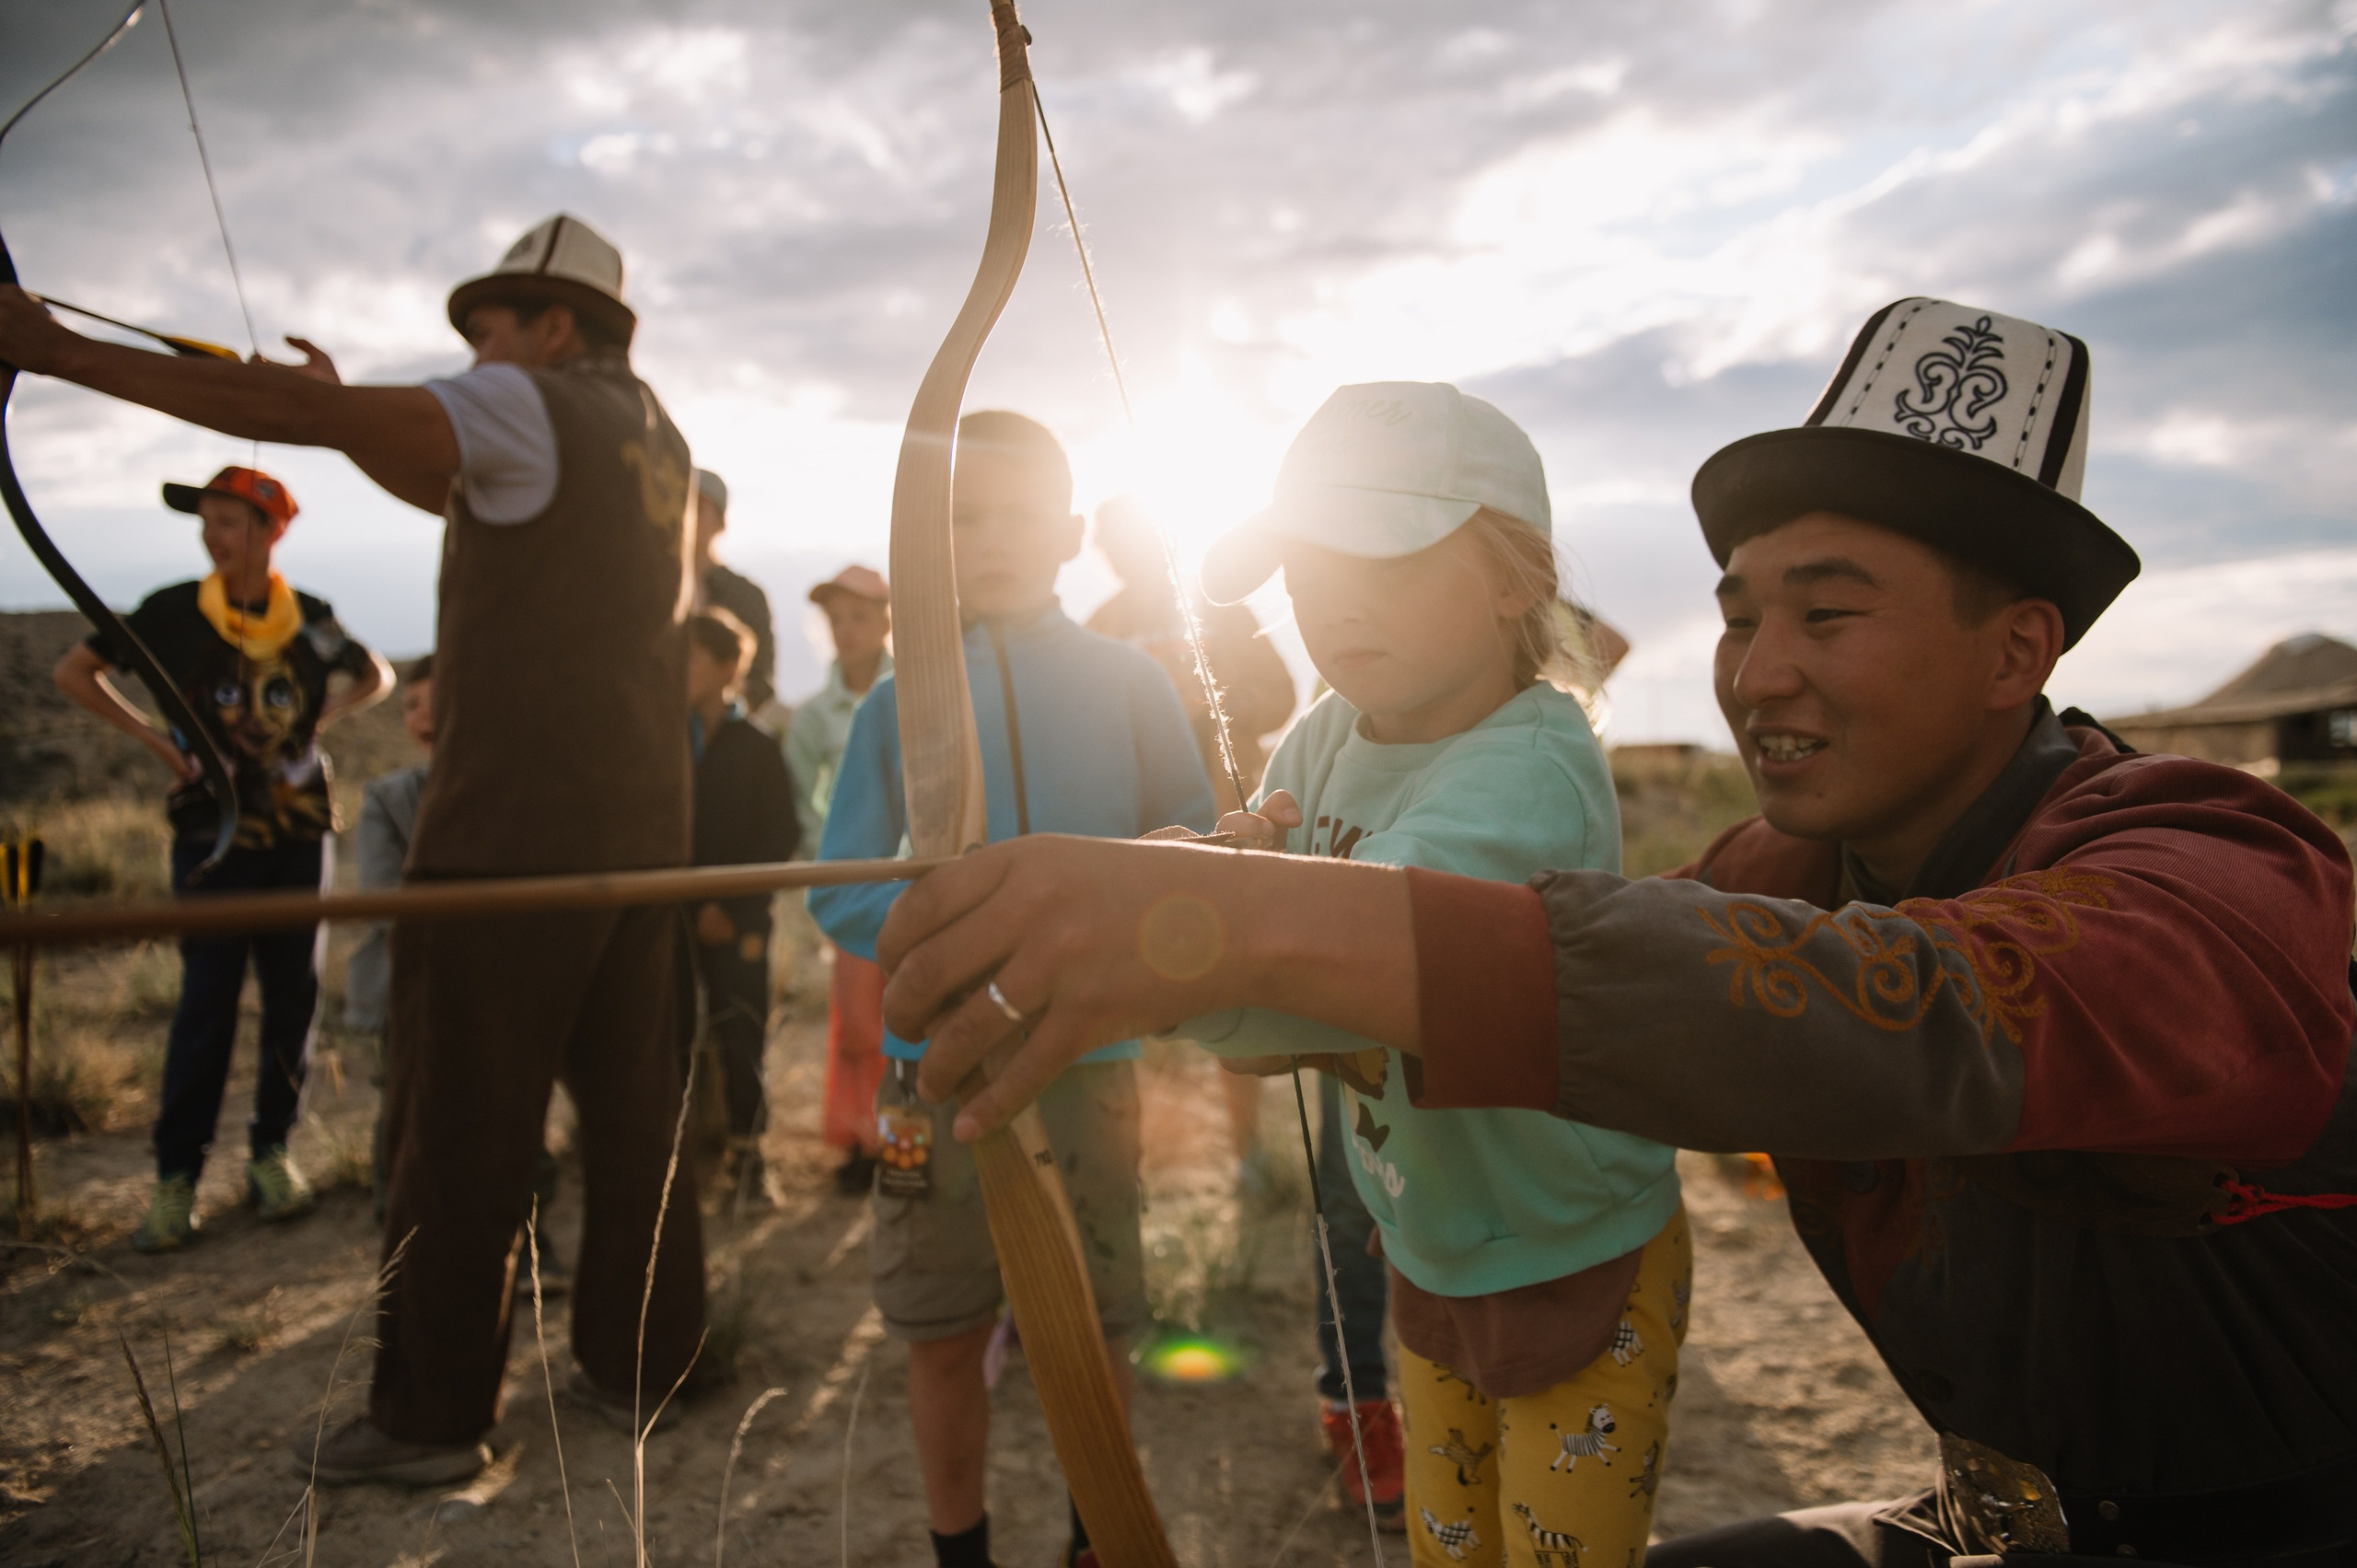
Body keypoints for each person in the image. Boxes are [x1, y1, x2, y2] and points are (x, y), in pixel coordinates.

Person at [877, 300, 2357, 1567]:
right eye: (1737, 616)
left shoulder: (2216, 860)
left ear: (2018, 650)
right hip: (1987, 1521)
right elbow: (1625, 958)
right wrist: (1212, 926)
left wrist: (1229, 931)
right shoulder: (1782, 866)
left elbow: (1922, 1011)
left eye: (1827, 617)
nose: (1758, 674)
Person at [0, 211, 709, 1485]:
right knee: (636, 1119)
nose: (475, 357)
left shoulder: (523, 402)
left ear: (554, 327)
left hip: (509, 841)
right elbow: (476, 484)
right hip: (642, 835)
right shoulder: (650, 432)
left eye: (490, 333)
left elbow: (402, 434)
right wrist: (345, 415)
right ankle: (646, 1362)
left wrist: (58, 352)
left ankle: (431, 1420)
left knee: (457, 1132)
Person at [1185, 382, 1689, 1564]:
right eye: (1306, 574)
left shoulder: (1533, 767)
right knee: (1446, 1546)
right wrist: (1204, 919)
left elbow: (1360, 954)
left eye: (1382, 559)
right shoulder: (1323, 731)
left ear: (1514, 577)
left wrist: (1190, 925)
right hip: (1424, 1238)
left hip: (1573, 1248)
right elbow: (1265, 1028)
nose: (1332, 605)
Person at [806, 411, 1215, 1568]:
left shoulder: (1129, 681)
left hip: (1092, 1069)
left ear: (1071, 530)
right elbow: (836, 887)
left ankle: (1100, 1542)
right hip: (937, 1074)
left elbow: (1185, 844)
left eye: (1018, 515)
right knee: (940, 1330)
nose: (989, 538)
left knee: (1092, 1336)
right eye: (961, 518)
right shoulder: (899, 698)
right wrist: (938, 937)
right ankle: (961, 1552)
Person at [51, 464, 389, 1252]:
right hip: (213, 831)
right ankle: (177, 1179)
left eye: (231, 520)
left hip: (301, 830)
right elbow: (75, 671)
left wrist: (325, 718)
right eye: (206, 518)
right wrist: (156, 742)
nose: (212, 533)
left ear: (272, 532)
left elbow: (377, 673)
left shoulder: (309, 618)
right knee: (206, 1000)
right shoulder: (170, 612)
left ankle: (272, 1155)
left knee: (292, 997)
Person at [344, 656, 570, 1290]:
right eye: (409, 705)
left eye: (433, 700)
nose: (421, 715)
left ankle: (529, 1239)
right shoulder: (389, 800)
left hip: (503, 986)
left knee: (516, 1108)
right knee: (413, 1105)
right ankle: (406, 1237)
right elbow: (388, 900)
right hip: (417, 988)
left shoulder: (517, 794)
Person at [680, 606, 801, 1196]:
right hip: (668, 920)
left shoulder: (756, 748)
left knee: (740, 1034)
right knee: (668, 1035)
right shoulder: (662, 744)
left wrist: (727, 907)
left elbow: (778, 836)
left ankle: (751, 1164)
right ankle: (675, 1163)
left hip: (739, 921)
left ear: (730, 667)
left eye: (693, 656)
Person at [784, 563, 895, 1195]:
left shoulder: (917, 690)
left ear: (885, 622)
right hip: (852, 880)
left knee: (912, 1002)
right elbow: (805, 799)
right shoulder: (813, 719)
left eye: (859, 616)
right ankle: (860, 1137)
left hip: (910, 873)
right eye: (836, 619)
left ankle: (906, 1132)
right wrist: (830, 861)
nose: (846, 630)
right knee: (856, 1018)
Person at [691, 468, 783, 733]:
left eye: (697, 507)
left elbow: (761, 681)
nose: (686, 516)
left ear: (720, 522)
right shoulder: (652, 588)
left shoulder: (746, 597)